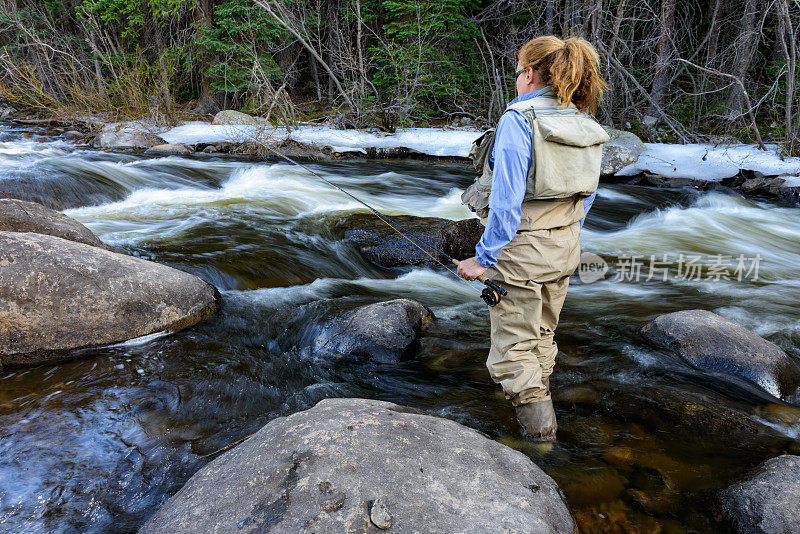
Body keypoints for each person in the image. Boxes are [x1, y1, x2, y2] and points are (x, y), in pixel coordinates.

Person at [457, 35, 608, 442]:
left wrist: (483, 259)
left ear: (528, 73)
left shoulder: (519, 119)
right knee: (542, 337)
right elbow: (588, 193)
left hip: (520, 252)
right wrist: (564, 231)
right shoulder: (580, 118)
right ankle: (543, 422)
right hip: (566, 246)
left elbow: (505, 204)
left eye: (518, 71)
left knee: (512, 353)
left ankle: (541, 445)